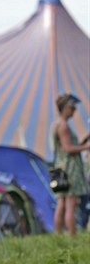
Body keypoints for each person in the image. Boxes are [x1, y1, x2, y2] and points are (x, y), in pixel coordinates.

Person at [52, 93, 90, 236]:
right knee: (70, 205)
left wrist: (84, 141)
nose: (74, 111)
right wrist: (87, 147)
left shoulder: (56, 124)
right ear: (66, 108)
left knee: (61, 203)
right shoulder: (64, 126)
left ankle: (59, 235)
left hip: (59, 167)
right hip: (70, 170)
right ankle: (73, 237)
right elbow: (69, 149)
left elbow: (64, 148)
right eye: (72, 108)